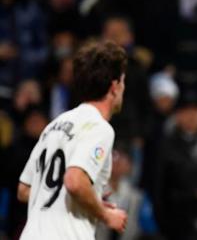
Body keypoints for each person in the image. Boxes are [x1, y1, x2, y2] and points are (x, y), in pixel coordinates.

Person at [16, 40, 129, 239]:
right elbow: (74, 181)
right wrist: (106, 214)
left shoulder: (54, 124)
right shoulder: (100, 128)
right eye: (123, 81)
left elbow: (25, 190)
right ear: (114, 86)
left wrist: (88, 200)